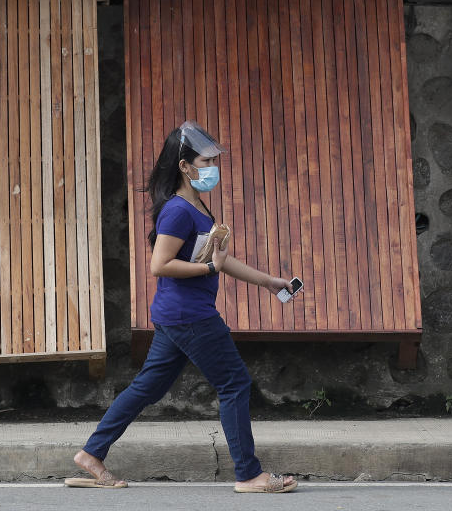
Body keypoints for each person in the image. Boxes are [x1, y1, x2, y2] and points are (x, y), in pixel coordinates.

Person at [66, 120, 299, 494]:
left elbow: (220, 258)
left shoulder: (195, 204)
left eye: (212, 161)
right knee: (234, 383)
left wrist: (269, 282)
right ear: (185, 167)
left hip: (177, 316)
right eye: (205, 162)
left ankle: (90, 454)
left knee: (146, 388)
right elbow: (161, 264)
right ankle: (249, 475)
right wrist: (209, 268)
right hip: (191, 316)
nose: (212, 168)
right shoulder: (177, 211)